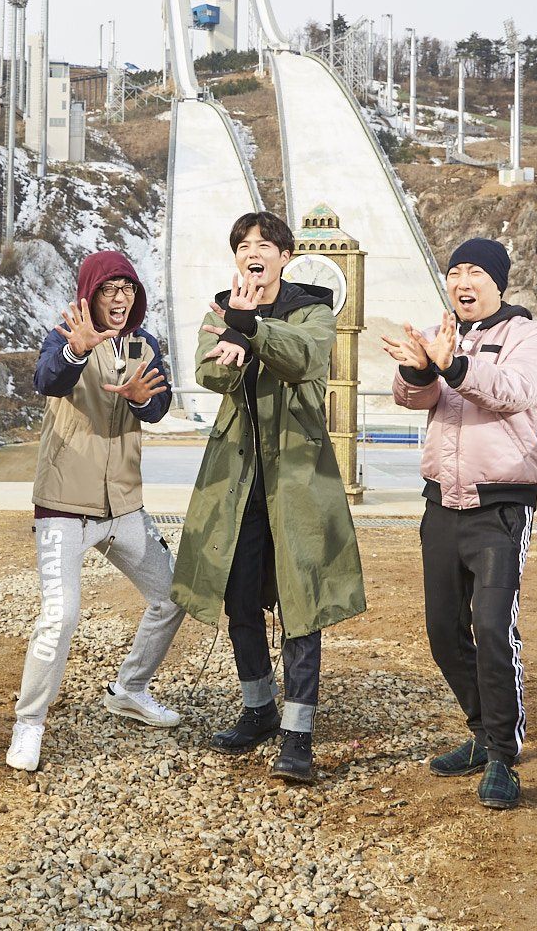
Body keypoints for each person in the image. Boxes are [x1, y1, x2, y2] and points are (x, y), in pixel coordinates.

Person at [170, 210, 366, 784]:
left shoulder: (314, 308)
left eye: (264, 244)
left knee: (301, 604)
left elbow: (305, 357)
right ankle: (258, 708)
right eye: (243, 245)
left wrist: (251, 329)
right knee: (238, 596)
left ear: (284, 256)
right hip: (238, 479)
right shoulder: (221, 307)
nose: (252, 253)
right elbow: (209, 374)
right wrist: (232, 335)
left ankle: (297, 734)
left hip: (298, 480)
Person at [383, 238, 537, 810]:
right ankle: (481, 733)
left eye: (475, 271)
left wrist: (452, 364)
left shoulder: (528, 337)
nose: (463, 281)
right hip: (441, 503)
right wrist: (416, 370)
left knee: (491, 628)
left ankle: (504, 756)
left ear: (498, 283)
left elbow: (512, 392)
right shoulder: (445, 335)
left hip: (500, 506)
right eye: (455, 271)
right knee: (442, 630)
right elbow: (415, 399)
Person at [7, 249, 186, 771]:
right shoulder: (66, 334)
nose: (119, 298)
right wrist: (77, 353)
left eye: (127, 290)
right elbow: (47, 380)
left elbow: (156, 407)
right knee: (59, 616)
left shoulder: (145, 344)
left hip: (124, 505)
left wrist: (136, 398)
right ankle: (29, 724)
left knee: (171, 595)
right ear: (90, 295)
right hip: (64, 505)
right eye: (109, 290)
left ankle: (129, 689)